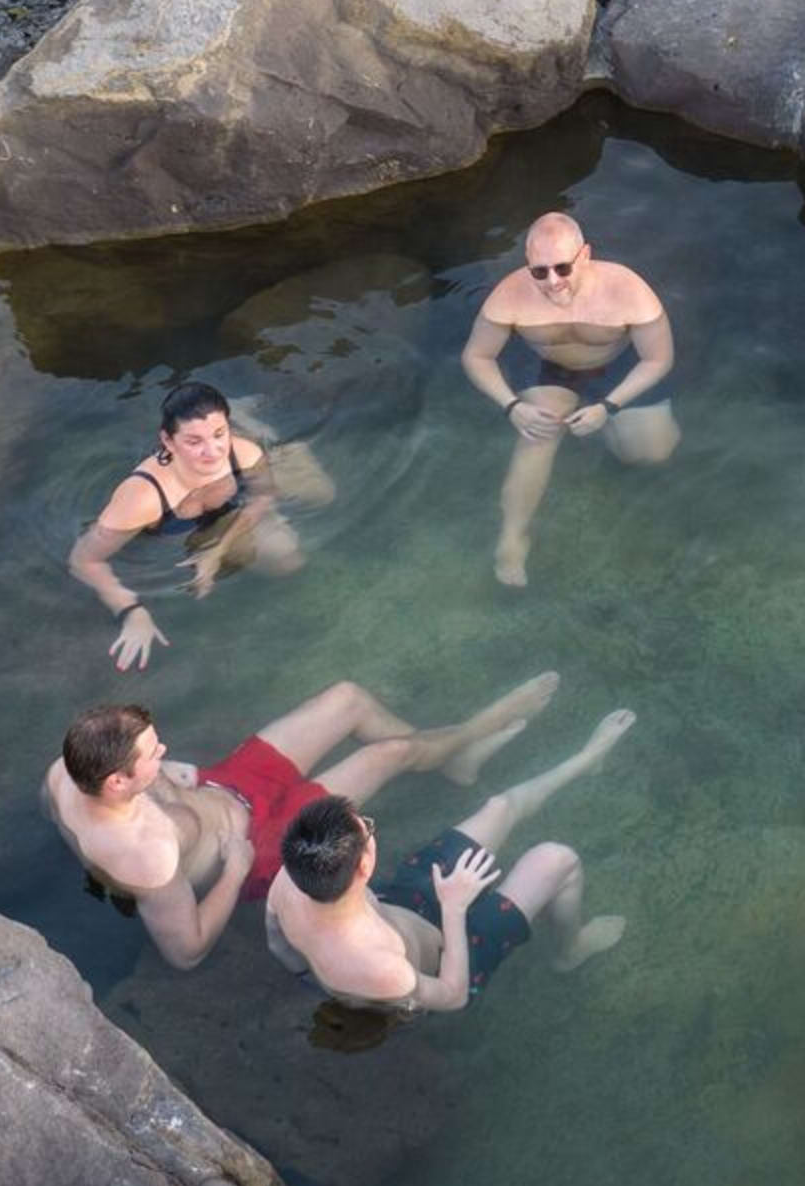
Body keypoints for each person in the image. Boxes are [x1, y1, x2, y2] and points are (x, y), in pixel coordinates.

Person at [43, 674, 556, 970]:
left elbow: (67, 821)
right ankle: (474, 732)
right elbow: (186, 952)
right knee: (390, 754)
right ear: (117, 781)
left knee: (347, 699)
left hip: (224, 785)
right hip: (260, 843)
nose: (165, 750)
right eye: (153, 753)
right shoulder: (149, 860)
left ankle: (450, 759)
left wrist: (188, 777)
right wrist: (235, 870)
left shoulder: (64, 776)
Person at [266, 708, 637, 1011]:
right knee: (559, 859)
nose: (368, 826)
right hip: (453, 953)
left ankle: (585, 761)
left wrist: (308, 977)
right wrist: (455, 907)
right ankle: (570, 951)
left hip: (402, 904)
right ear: (364, 866)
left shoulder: (291, 880)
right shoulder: (383, 969)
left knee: (500, 806)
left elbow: (279, 946)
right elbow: (453, 994)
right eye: (368, 830)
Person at [460, 211, 679, 586]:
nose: (553, 281)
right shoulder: (511, 294)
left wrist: (609, 406)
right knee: (538, 431)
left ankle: (608, 426)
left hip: (615, 366)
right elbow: (476, 356)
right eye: (539, 271)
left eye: (562, 268)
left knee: (652, 451)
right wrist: (511, 405)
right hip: (548, 368)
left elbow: (658, 358)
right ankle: (512, 537)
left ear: (585, 255)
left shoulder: (627, 289)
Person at [66, 381, 325, 671]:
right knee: (285, 557)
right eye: (193, 441)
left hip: (232, 496)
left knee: (322, 493)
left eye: (219, 434)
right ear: (168, 441)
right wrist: (131, 610)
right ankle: (244, 421)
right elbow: (84, 559)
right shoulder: (142, 499)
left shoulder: (242, 453)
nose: (212, 451)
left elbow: (263, 497)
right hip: (189, 521)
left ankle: (246, 420)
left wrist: (218, 550)